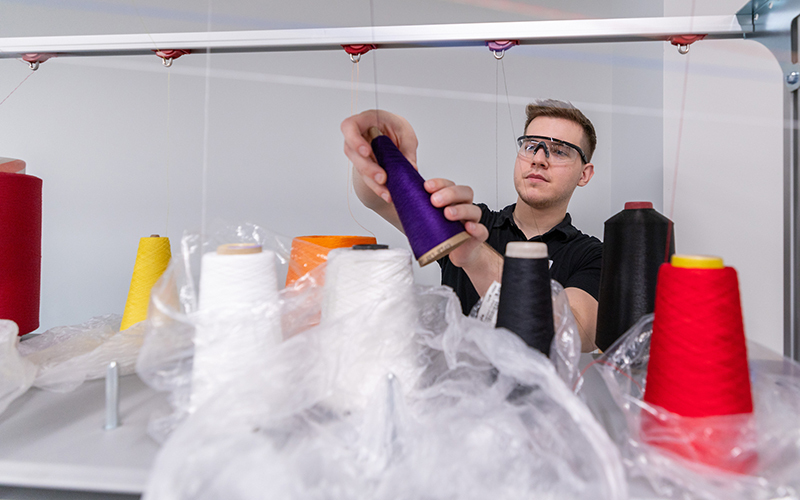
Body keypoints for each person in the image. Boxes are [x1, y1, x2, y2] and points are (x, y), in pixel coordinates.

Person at [341, 100, 601, 351]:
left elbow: (577, 334)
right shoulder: (471, 222)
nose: (539, 159)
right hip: (457, 392)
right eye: (531, 146)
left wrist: (475, 255)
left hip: (541, 396)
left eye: (559, 151)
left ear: (585, 174)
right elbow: (376, 195)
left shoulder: (591, 255)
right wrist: (377, 144)